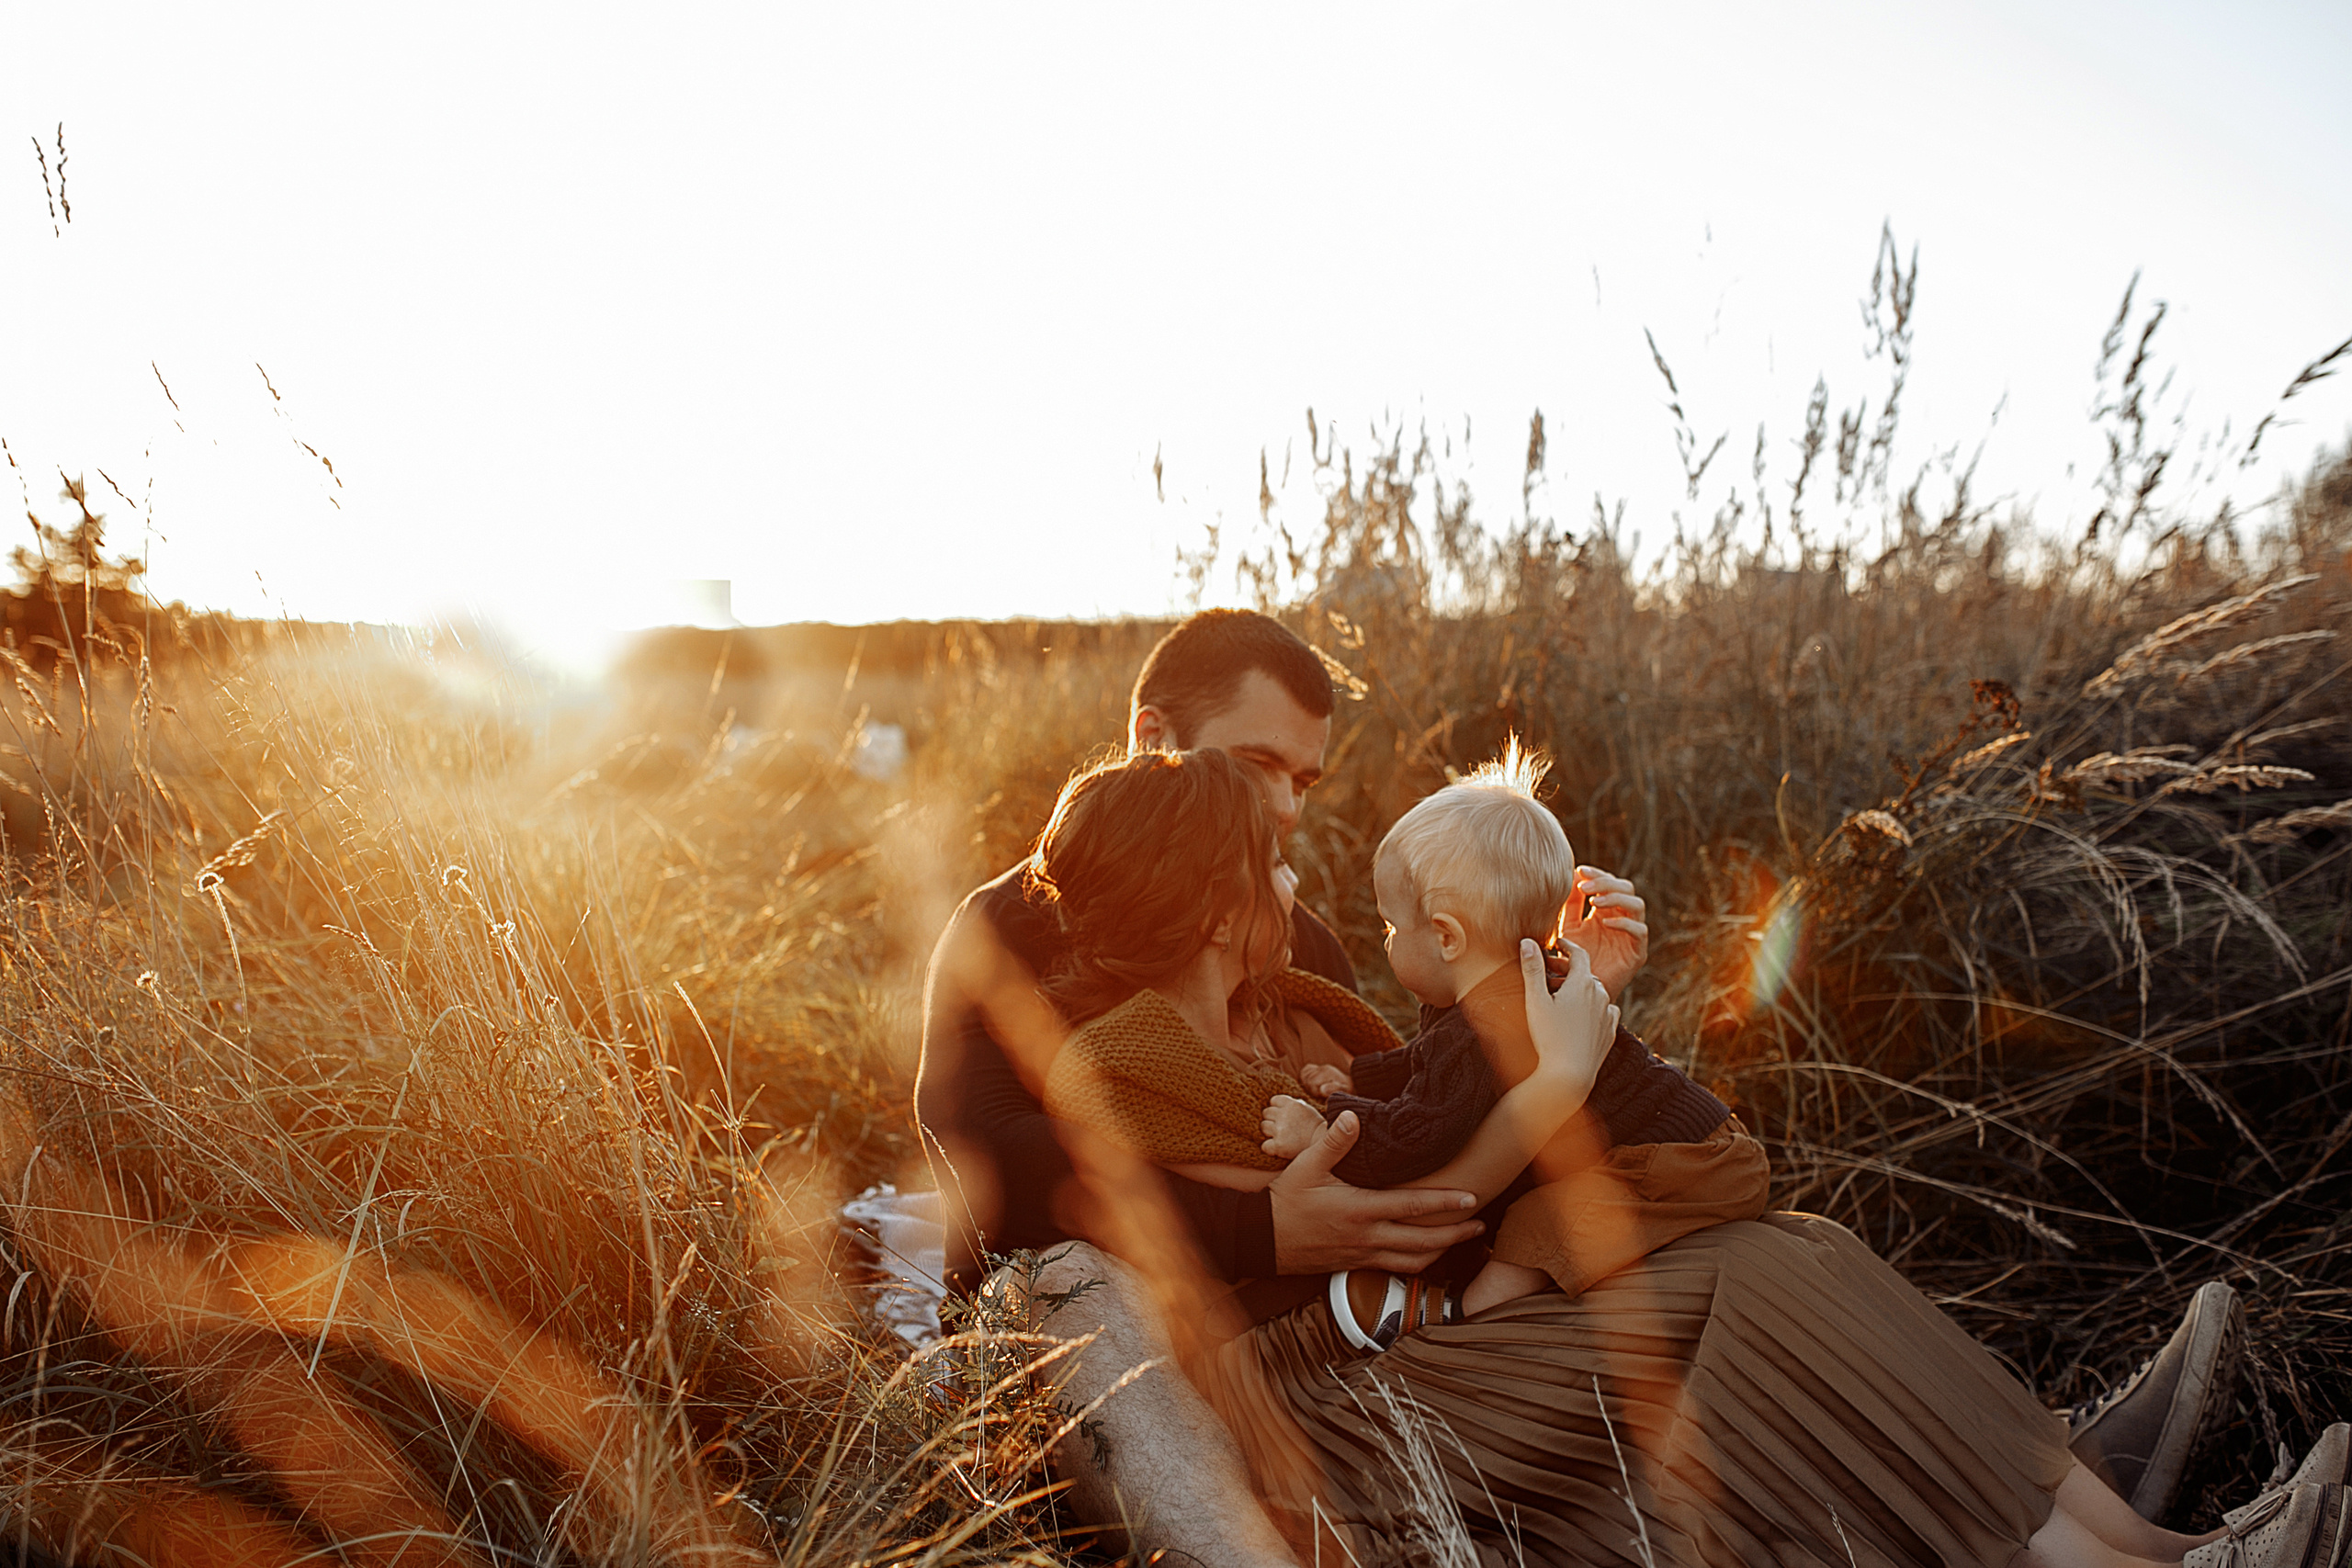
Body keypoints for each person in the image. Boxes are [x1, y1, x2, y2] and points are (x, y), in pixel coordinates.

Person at [913, 608, 2290, 1567]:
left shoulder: (1289, 955)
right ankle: (2066, 1513)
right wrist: (1278, 1224)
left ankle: (2072, 1485)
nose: (1289, 818)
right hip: (1281, 1361)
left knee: (1786, 1247)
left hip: (1397, 1309)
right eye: (1259, 774)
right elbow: (1002, 1167)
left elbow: (1424, 1095)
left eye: (1303, 785)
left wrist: (1553, 1000)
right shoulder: (1030, 956)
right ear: (1156, 735)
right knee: (1753, 1286)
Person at [1033, 744, 1770, 1350]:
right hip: (1358, 1345)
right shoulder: (1132, 1070)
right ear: (1218, 916)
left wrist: (1554, 981)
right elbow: (1426, 1205)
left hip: (1553, 1232)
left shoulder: (1297, 1006)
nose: (1297, 882)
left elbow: (1450, 1092)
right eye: (1277, 863)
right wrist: (1561, 1077)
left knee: (1768, 1266)